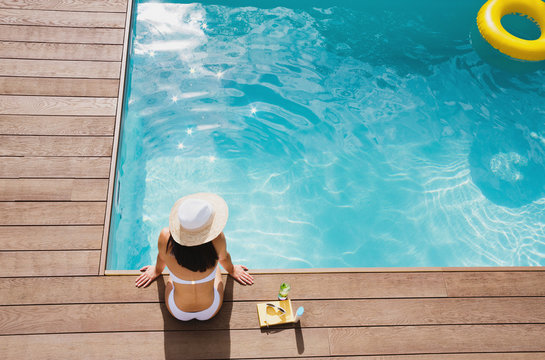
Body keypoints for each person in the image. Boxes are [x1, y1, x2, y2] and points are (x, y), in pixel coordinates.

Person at [135, 193, 254, 321]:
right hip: (211, 309)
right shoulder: (217, 239)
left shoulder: (166, 237)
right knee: (217, 265)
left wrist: (157, 271)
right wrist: (232, 270)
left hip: (177, 310)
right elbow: (224, 259)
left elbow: (161, 258)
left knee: (171, 268)